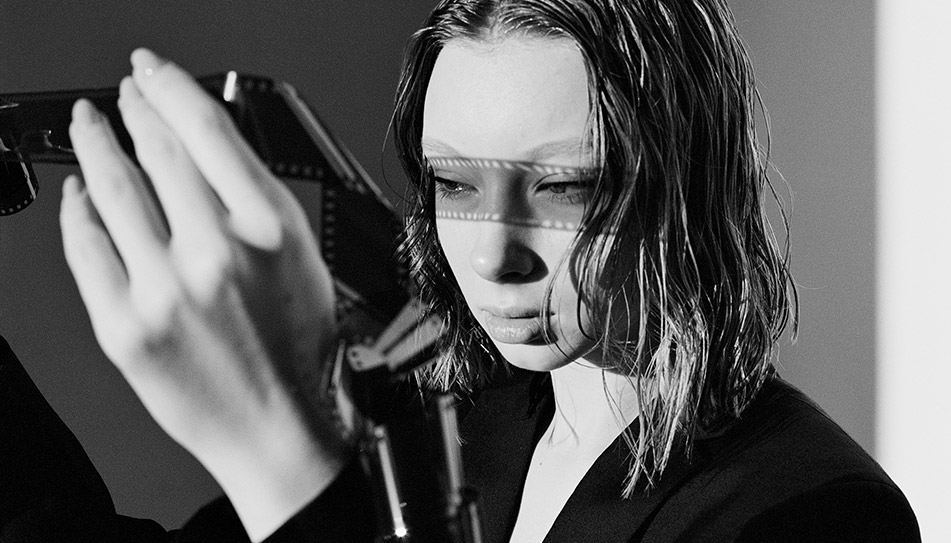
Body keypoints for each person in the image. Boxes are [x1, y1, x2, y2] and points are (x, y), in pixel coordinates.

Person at [2, 0, 919, 542]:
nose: (491, 255)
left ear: (687, 183)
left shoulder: (818, 513)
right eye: (452, 182)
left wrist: (279, 460)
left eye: (563, 187)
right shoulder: (441, 426)